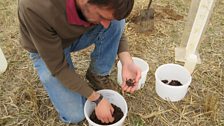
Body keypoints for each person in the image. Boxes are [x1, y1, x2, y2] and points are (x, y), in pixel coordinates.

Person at [18, 0, 141, 124]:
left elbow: (115, 25)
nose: (105, 25)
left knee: (115, 21)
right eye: (101, 16)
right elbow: (58, 67)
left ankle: (97, 74)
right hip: (45, 47)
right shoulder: (35, 6)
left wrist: (127, 61)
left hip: (76, 34)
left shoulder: (99, 10)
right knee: (75, 115)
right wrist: (97, 99)